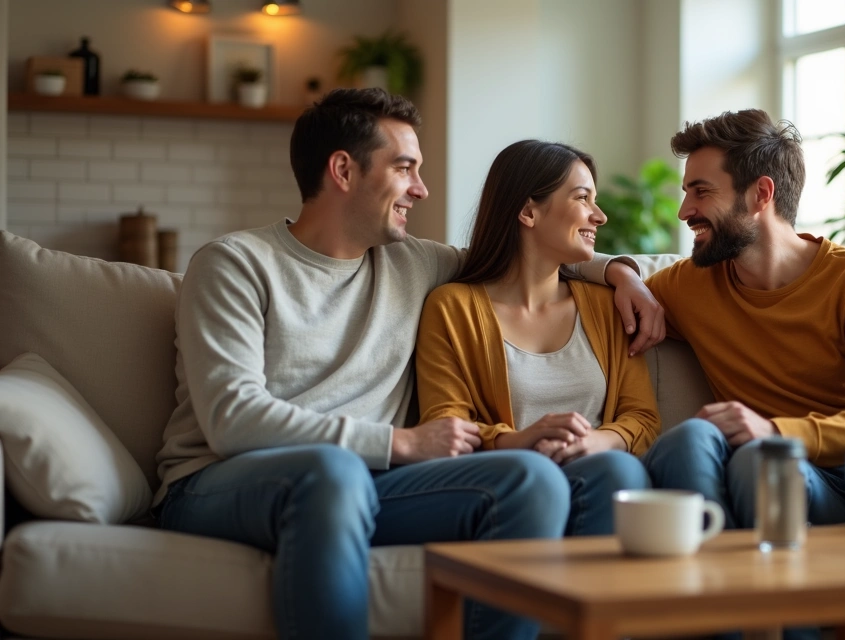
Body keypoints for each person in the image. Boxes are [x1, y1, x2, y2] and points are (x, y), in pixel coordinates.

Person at [152, 89, 663, 640]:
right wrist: (402, 444)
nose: (421, 189)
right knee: (334, 470)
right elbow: (232, 420)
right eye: (405, 168)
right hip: (220, 485)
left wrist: (623, 274)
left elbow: (526, 253)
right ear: (343, 170)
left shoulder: (415, 263)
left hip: (369, 486)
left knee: (529, 478)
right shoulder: (234, 265)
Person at [638, 109, 845, 640]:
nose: (683, 211)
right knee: (758, 468)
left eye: (701, 192)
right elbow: (577, 275)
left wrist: (779, 430)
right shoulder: (691, 285)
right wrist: (620, 275)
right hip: (808, 482)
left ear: (760, 194)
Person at [416, 140, 658, 536]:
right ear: (529, 211)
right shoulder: (452, 307)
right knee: (540, 482)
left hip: (598, 478)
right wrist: (519, 441)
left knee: (616, 468)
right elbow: (446, 423)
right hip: (512, 485)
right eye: (583, 198)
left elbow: (643, 418)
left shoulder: (606, 306)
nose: (600, 216)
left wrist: (599, 442)